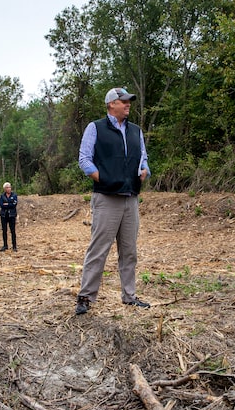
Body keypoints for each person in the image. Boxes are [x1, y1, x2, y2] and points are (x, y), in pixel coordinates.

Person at [75, 87, 151, 315]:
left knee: (129, 251)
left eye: (129, 101)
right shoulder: (95, 127)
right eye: (123, 101)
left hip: (131, 199)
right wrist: (104, 178)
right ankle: (86, 297)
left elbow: (143, 157)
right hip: (106, 198)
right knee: (98, 249)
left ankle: (129, 296)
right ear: (111, 104)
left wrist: (145, 170)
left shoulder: (135, 131)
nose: (128, 104)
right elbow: (84, 159)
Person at [0, 182, 18, 252]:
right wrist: (10, 203)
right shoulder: (2, 196)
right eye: (7, 187)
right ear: (4, 189)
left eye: (9, 187)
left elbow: (14, 204)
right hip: (4, 215)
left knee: (13, 231)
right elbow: (1, 205)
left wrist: (7, 203)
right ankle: (5, 245)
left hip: (12, 215)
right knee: (4, 231)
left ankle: (14, 246)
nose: (9, 188)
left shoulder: (14, 195)